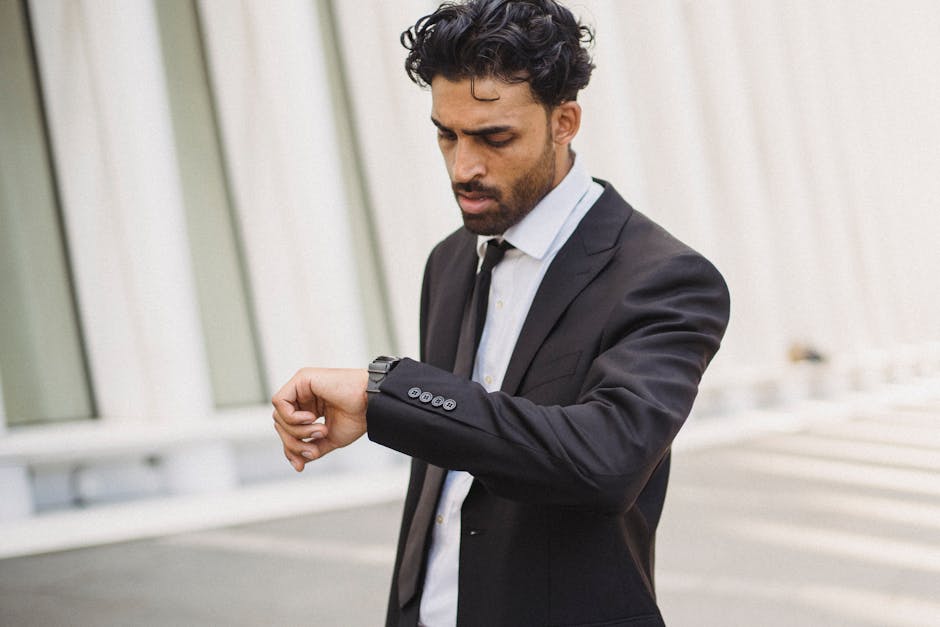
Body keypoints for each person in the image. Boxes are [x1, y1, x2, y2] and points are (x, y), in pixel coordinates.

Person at [271, 1, 730, 625]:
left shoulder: (663, 278)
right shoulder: (450, 263)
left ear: (564, 121)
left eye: (494, 138)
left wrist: (388, 393)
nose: (464, 167)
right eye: (446, 134)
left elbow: (605, 462)